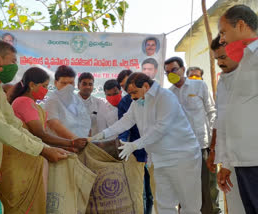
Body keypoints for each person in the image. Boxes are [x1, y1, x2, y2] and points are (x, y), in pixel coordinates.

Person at [91, 72, 202, 214]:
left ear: (145, 86)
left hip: (183, 157)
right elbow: (126, 121)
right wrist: (104, 133)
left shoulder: (165, 97)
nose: (132, 97)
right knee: (164, 205)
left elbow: (161, 128)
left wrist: (135, 145)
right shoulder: (138, 102)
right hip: (159, 159)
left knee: (189, 206)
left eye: (134, 92)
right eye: (129, 94)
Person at [0, 40, 69, 170]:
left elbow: (14, 124)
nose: (15, 67)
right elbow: (0, 128)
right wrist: (43, 150)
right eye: (13, 61)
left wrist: (46, 148)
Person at [0, 67, 87, 213]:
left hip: (33, 158)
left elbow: (41, 137)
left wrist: (66, 147)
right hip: (21, 160)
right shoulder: (24, 102)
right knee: (20, 205)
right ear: (32, 85)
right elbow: (40, 134)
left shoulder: (34, 105)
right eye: (44, 86)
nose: (46, 90)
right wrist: (71, 142)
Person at [217, 5, 258, 213]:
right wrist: (226, 162)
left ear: (241, 25)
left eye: (223, 32)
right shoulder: (246, 62)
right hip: (244, 161)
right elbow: (234, 113)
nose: (222, 39)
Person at [164, 56, 217, 214]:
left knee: (208, 191)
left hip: (202, 147)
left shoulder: (199, 85)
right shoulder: (168, 94)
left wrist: (214, 142)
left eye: (173, 70)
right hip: (181, 151)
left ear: (182, 69)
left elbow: (212, 112)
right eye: (167, 73)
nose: (170, 74)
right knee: (184, 192)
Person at [207, 35, 245, 214]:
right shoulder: (222, 81)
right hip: (233, 161)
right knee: (237, 206)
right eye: (217, 59)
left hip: (250, 159)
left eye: (223, 57)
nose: (220, 63)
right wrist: (221, 160)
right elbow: (221, 120)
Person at [116, 69, 154, 214]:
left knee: (153, 191)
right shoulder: (125, 102)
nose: (128, 90)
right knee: (140, 191)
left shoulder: (156, 98)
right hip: (136, 152)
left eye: (129, 85)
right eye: (124, 87)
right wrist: (123, 145)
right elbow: (124, 127)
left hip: (156, 150)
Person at [44, 65, 91, 139]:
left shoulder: (77, 99)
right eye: (64, 83)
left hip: (80, 144)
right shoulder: (52, 101)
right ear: (56, 83)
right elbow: (54, 125)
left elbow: (85, 121)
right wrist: (76, 140)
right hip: (62, 146)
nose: (68, 87)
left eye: (71, 83)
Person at [77, 72, 112, 136]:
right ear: (78, 86)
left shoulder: (100, 103)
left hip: (94, 141)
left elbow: (106, 124)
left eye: (90, 84)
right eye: (84, 84)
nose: (87, 87)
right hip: (73, 141)